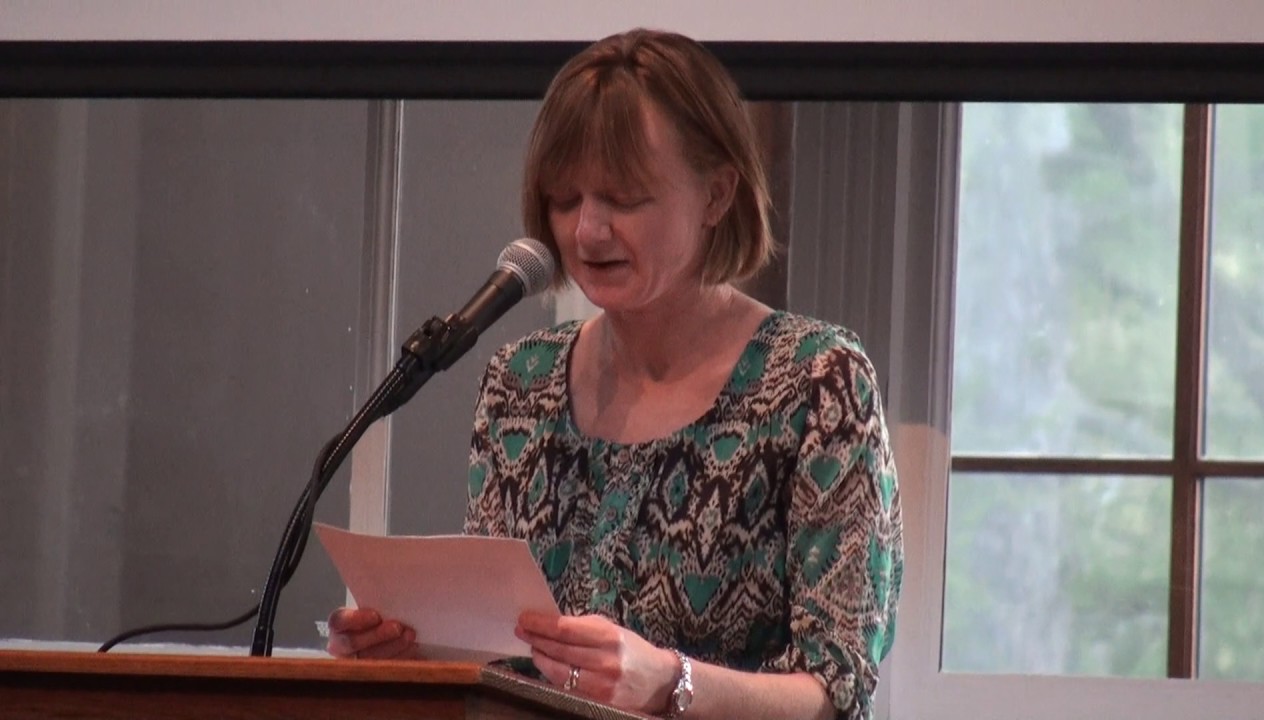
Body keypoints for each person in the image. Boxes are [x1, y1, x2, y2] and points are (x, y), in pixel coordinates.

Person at [327, 28, 903, 720]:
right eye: (565, 200)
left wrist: (670, 682)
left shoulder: (818, 382)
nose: (587, 232)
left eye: (623, 199)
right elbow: (502, 660)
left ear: (717, 194)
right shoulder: (520, 383)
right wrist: (411, 655)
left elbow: (838, 690)